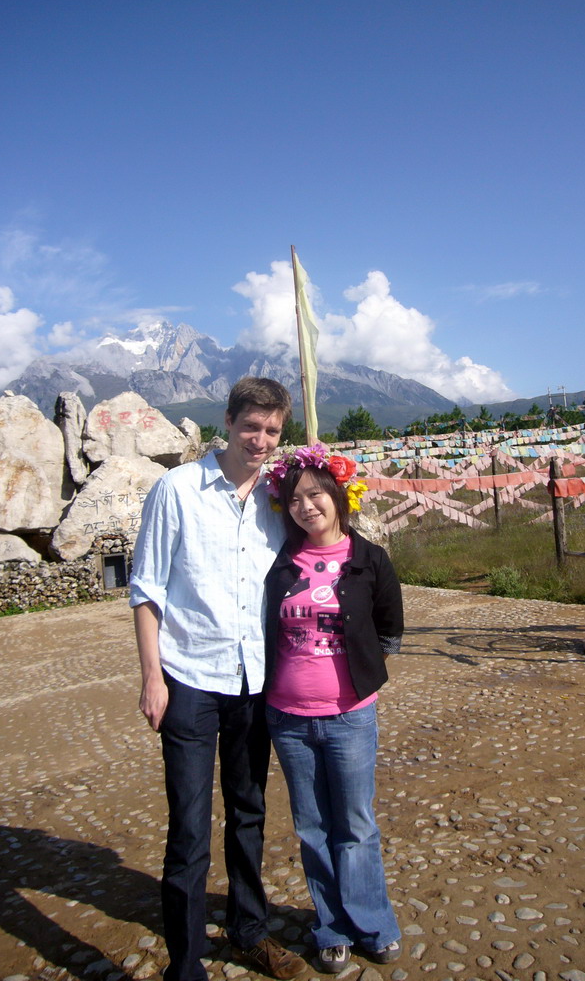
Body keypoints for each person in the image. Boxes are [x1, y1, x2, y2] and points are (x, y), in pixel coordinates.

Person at [130, 377, 307, 981]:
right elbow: (147, 589)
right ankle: (185, 964)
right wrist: (153, 678)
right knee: (187, 826)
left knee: (249, 810)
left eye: (272, 432)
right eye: (250, 426)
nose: (259, 440)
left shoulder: (278, 500)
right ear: (227, 422)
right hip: (189, 678)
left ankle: (247, 929)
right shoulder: (176, 490)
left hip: (255, 681)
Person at [262, 445, 403, 974]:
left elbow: (390, 625)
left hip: (349, 715)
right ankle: (331, 926)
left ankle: (373, 923)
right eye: (295, 498)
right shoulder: (278, 561)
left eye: (316, 494)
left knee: (357, 824)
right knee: (312, 826)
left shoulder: (369, 560)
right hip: (287, 717)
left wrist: (363, 668)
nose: (306, 506)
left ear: (338, 496)